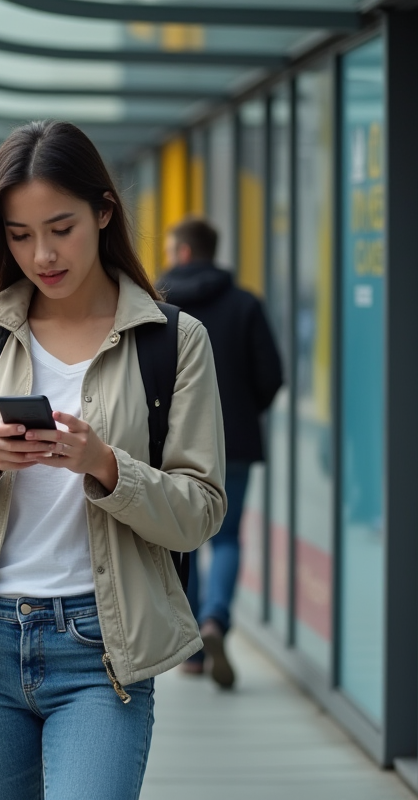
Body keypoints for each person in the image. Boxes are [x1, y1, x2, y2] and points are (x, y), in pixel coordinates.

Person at [0, 120, 226, 799]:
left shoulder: (173, 342)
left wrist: (108, 467)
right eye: (19, 236)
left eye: (61, 228)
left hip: (99, 652)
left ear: (104, 212)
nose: (42, 254)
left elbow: (200, 514)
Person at [159, 217, 283, 689]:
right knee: (227, 538)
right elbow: (271, 374)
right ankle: (215, 619)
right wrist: (244, 412)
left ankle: (191, 650)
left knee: (183, 538)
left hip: (174, 442)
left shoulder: (160, 304)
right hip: (237, 442)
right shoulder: (246, 302)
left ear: (184, 253)